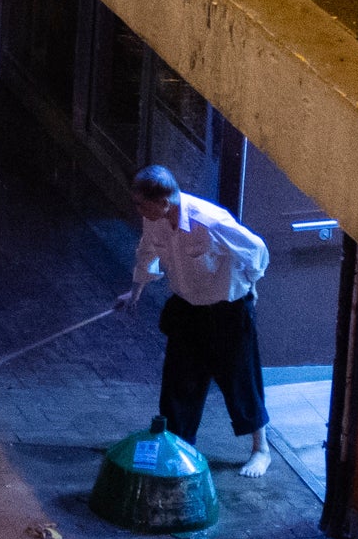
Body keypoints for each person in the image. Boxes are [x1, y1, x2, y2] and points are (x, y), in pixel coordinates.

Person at [117, 165, 274, 472]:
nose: (138, 210)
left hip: (227, 310)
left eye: (141, 204)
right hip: (187, 309)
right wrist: (134, 292)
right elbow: (147, 253)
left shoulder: (210, 221)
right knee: (178, 384)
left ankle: (261, 449)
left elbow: (256, 250)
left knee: (241, 381)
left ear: (163, 201)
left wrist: (249, 286)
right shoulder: (156, 221)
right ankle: (179, 448)